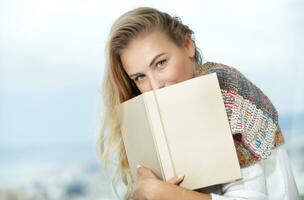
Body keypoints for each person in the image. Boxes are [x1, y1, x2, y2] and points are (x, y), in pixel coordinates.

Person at [98, 7, 300, 200]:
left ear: (187, 45)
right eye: (140, 77)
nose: (155, 86)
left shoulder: (226, 92)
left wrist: (158, 192)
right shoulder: (163, 122)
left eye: (161, 63)